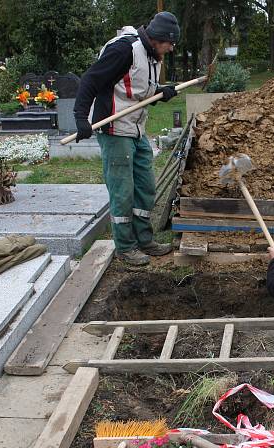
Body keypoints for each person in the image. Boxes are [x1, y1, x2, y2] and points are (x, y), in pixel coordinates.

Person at [73, 11, 180, 265]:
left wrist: (160, 92)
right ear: (158, 38)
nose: (172, 48)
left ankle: (144, 240)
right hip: (114, 127)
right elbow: (91, 80)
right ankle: (125, 246)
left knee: (146, 186)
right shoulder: (124, 50)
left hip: (136, 128)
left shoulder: (153, 55)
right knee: (123, 191)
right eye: (170, 43)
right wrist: (80, 118)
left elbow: (138, 86)